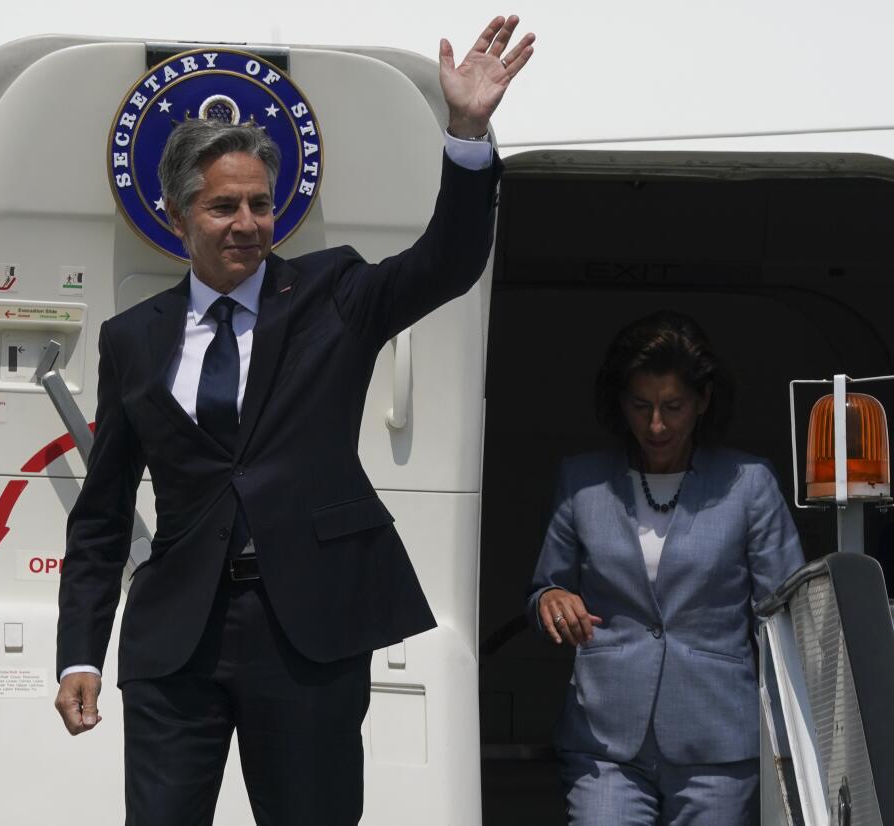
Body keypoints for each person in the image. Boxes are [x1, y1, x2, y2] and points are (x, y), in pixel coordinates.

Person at [53, 16, 534, 825]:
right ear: (178, 218)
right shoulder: (131, 340)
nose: (246, 223)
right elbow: (101, 516)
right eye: (222, 208)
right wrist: (78, 653)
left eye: (259, 205)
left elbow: (446, 262)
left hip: (306, 630)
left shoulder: (331, 295)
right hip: (177, 638)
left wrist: (468, 134)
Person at [526, 311, 804, 826]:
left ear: (702, 402)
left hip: (718, 744)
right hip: (604, 744)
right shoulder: (580, 480)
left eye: (672, 406)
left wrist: (796, 741)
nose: (656, 424)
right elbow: (548, 584)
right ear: (620, 403)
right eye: (641, 405)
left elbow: (785, 618)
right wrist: (550, 600)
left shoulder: (749, 484)